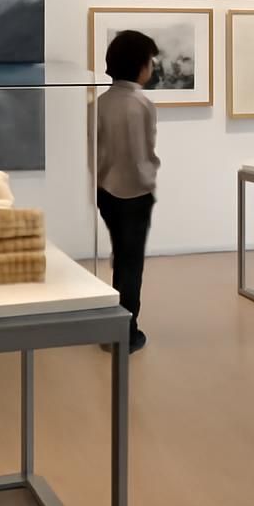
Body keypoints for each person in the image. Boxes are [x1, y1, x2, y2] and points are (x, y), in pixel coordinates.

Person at [97, 30, 162, 353]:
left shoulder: (102, 102)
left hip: (105, 190)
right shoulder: (141, 104)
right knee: (131, 262)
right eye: (150, 61)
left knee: (121, 257)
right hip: (134, 193)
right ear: (140, 66)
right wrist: (149, 179)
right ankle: (126, 330)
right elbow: (142, 154)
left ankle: (113, 322)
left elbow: (97, 152)